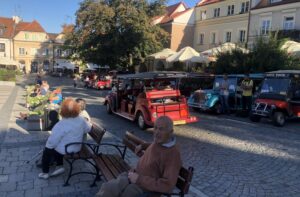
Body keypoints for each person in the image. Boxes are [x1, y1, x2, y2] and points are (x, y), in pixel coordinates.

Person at [96, 116, 182, 197]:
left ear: (171, 132)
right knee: (108, 188)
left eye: (161, 129)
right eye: (155, 128)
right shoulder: (160, 142)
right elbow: (154, 146)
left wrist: (139, 179)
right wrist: (143, 145)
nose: (156, 132)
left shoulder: (173, 154)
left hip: (145, 187)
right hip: (133, 175)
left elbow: (168, 186)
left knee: (125, 193)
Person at [38, 98, 92, 179]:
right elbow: (88, 129)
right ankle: (59, 166)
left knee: (47, 150)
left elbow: (52, 142)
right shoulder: (81, 119)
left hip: (67, 149)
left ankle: (45, 172)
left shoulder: (61, 123)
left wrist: (48, 145)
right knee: (56, 145)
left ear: (63, 110)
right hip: (77, 147)